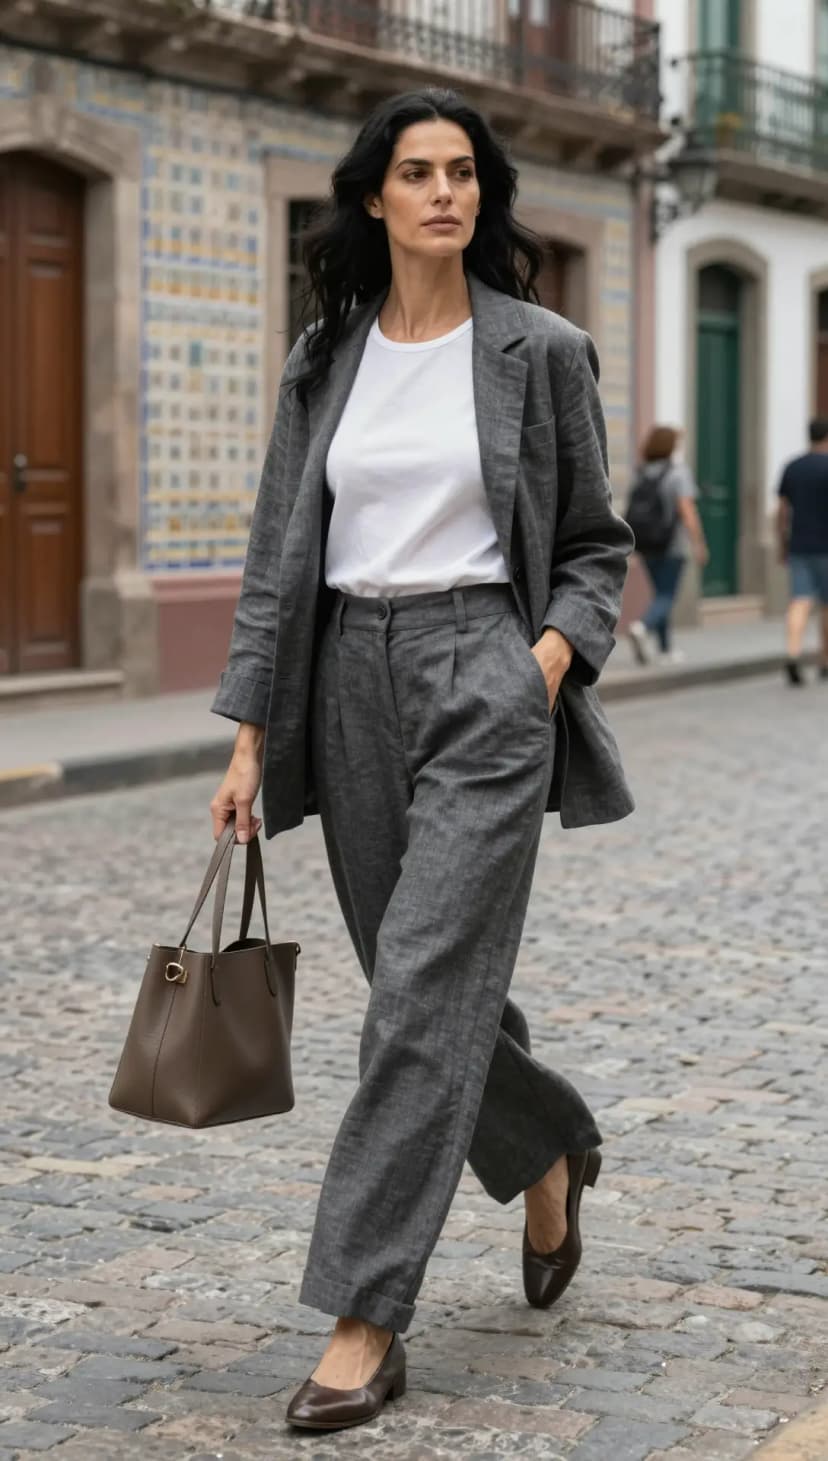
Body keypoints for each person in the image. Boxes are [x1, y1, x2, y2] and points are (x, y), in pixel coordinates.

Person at [209, 87, 634, 1433]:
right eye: (416, 172)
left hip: (483, 678)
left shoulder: (541, 348)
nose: (444, 191)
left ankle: (362, 1313)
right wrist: (248, 732)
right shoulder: (324, 354)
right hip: (347, 683)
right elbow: (284, 555)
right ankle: (551, 1146)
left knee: (412, 1001)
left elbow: (594, 545)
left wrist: (543, 667)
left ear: (479, 196)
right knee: (422, 981)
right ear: (377, 197)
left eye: (462, 172)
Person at [626, 426, 708, 665]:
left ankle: (664, 649)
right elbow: (687, 511)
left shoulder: (642, 473)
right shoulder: (678, 474)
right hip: (673, 546)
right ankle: (643, 626)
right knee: (666, 595)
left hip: (647, 544)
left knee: (660, 594)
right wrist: (699, 543)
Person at [776, 419, 828, 686]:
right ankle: (825, 660)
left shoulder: (793, 467)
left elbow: (783, 510)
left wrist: (781, 542)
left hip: (799, 544)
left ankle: (793, 653)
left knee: (800, 600)